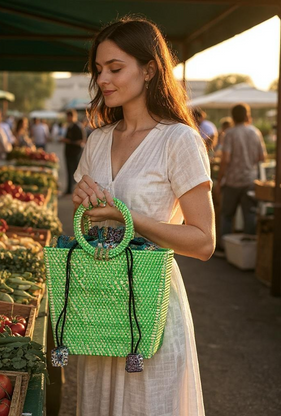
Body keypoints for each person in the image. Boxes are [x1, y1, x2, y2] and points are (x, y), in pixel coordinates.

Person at [72, 17, 215, 416]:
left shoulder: (179, 140)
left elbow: (204, 242)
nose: (103, 79)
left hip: (151, 310)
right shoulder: (97, 139)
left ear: (149, 69)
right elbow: (83, 221)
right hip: (98, 306)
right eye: (98, 70)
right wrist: (82, 203)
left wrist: (127, 217)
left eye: (115, 68)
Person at [218, 103, 266, 245]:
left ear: (232, 116)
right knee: (249, 214)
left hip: (232, 181)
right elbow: (262, 157)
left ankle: (224, 247)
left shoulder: (230, 133)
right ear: (247, 115)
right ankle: (248, 248)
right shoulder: (255, 132)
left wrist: (220, 180)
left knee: (227, 215)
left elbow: (225, 159)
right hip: (250, 180)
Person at [60, 109, 86, 194]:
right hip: (68, 153)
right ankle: (69, 189)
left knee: (75, 173)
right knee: (69, 171)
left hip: (75, 153)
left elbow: (81, 141)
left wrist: (69, 141)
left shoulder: (78, 127)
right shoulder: (69, 126)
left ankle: (76, 190)